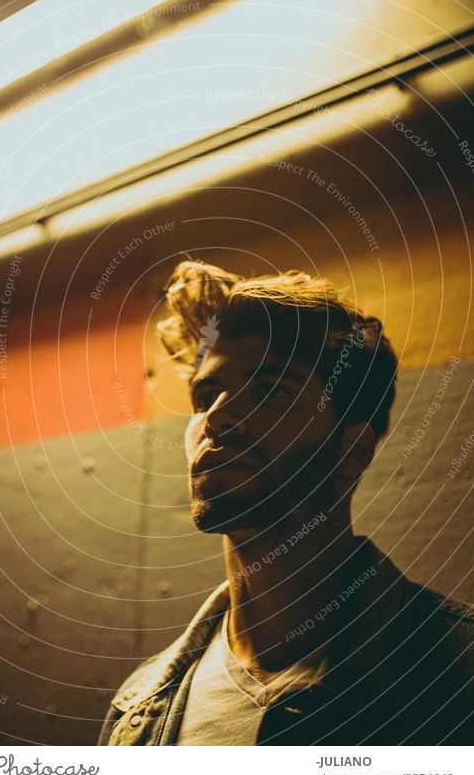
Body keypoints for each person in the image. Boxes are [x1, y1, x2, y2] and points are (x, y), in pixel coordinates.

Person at [99, 260, 472, 746]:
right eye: (205, 394)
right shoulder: (139, 708)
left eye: (272, 390)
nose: (217, 417)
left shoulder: (456, 675)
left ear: (351, 451)